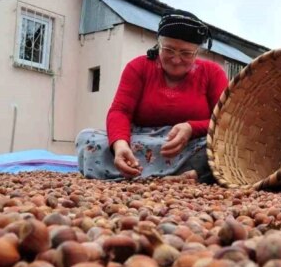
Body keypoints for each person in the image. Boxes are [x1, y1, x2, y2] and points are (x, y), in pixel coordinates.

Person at [76, 9, 229, 182]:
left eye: (186, 53)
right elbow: (120, 111)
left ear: (197, 52)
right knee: (87, 139)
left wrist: (191, 128)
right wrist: (120, 145)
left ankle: (183, 173)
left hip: (190, 144)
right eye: (169, 50)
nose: (176, 59)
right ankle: (193, 175)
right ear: (158, 45)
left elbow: (224, 122)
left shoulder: (213, 73)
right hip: (141, 140)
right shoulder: (138, 67)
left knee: (224, 147)